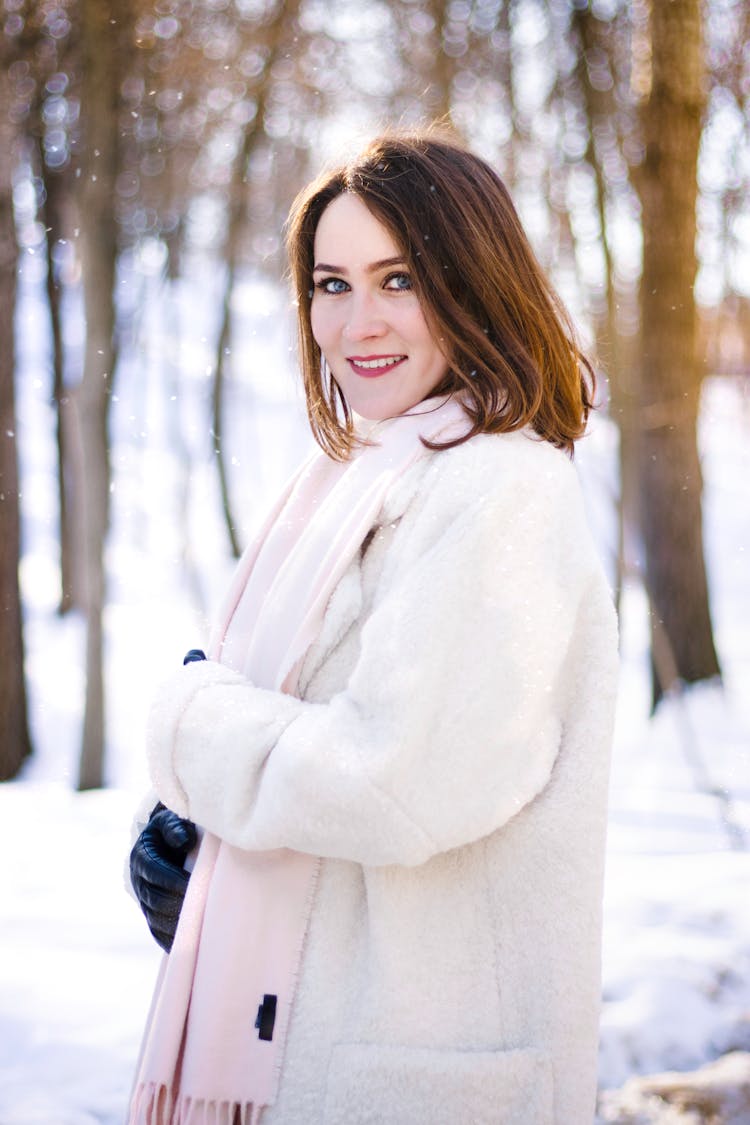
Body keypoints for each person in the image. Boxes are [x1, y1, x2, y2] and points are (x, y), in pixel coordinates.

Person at [127, 128, 619, 1125]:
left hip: (418, 1074)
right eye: (332, 283)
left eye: (401, 279)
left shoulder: (500, 489)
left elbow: (401, 775)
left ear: (475, 283)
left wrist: (192, 731)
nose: (358, 322)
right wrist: (200, 849)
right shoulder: (364, 481)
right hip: (321, 1044)